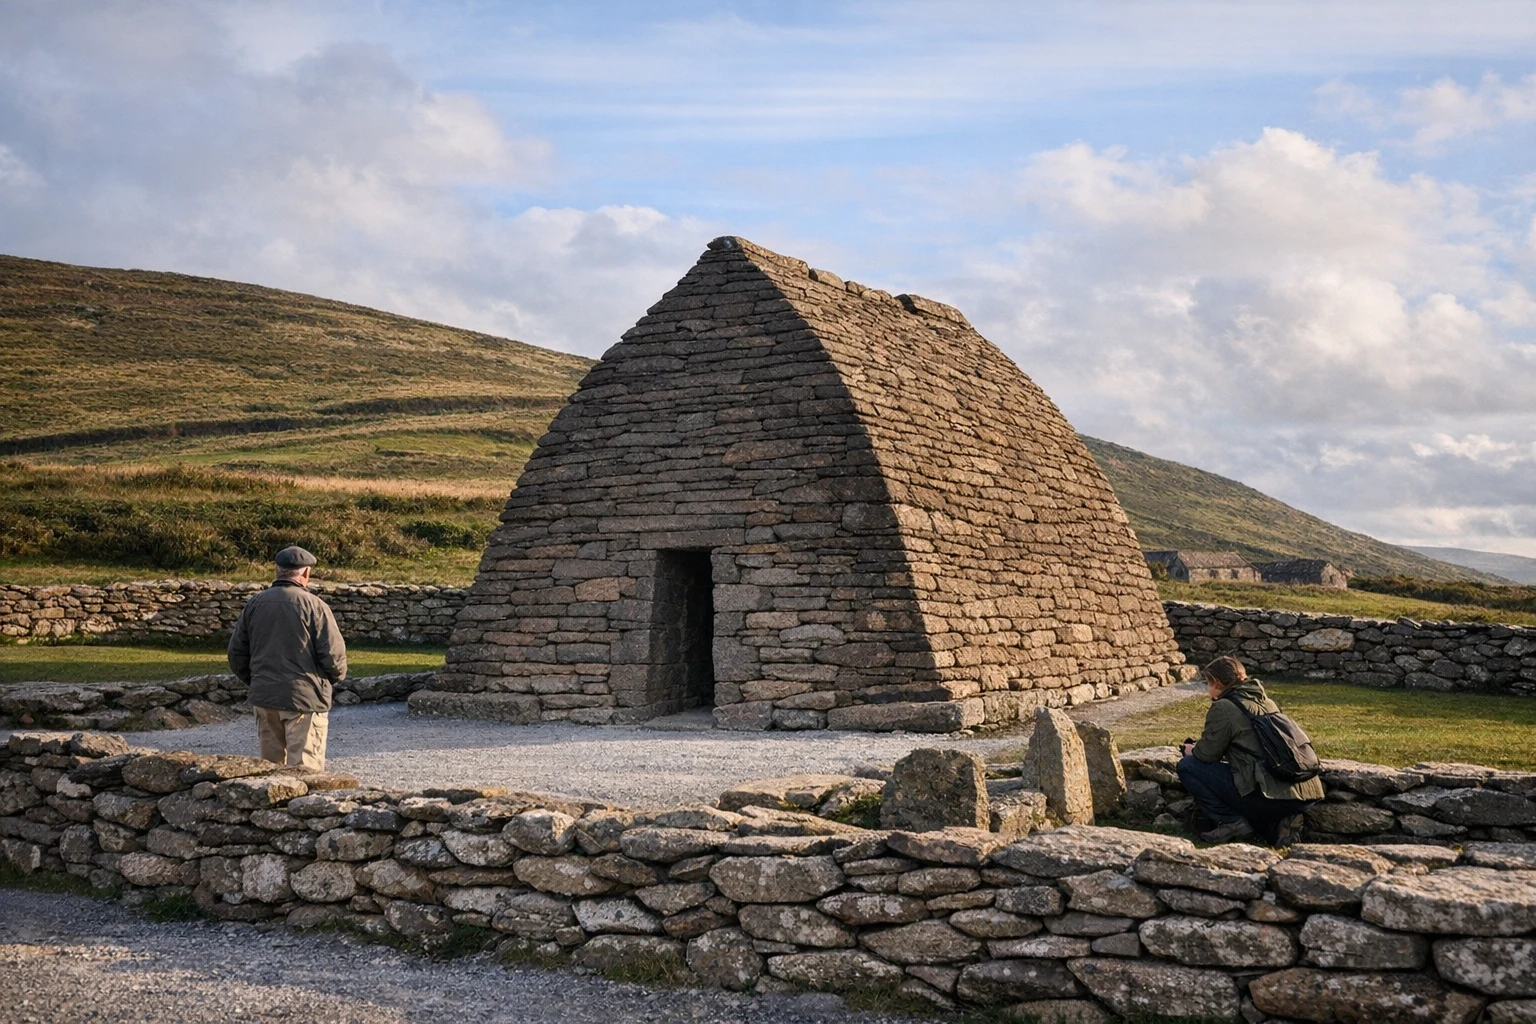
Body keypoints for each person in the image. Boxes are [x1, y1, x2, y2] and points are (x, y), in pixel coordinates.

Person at [1177, 656, 1323, 844]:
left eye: (1208, 683)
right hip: (1306, 792)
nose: (1207, 688)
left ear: (1217, 683)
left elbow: (1207, 754)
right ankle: (1284, 821)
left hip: (1270, 795)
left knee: (1188, 766)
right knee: (1265, 824)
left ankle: (1231, 822)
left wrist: (1191, 750)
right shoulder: (1266, 701)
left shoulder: (1223, 707)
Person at [228, 545, 347, 770]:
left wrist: (257, 680)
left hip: (265, 696)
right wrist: (329, 681)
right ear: (306, 573)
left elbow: (236, 654)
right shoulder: (315, 606)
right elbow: (333, 657)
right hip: (303, 697)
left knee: (269, 770)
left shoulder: (254, 604)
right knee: (305, 770)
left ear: (277, 570)